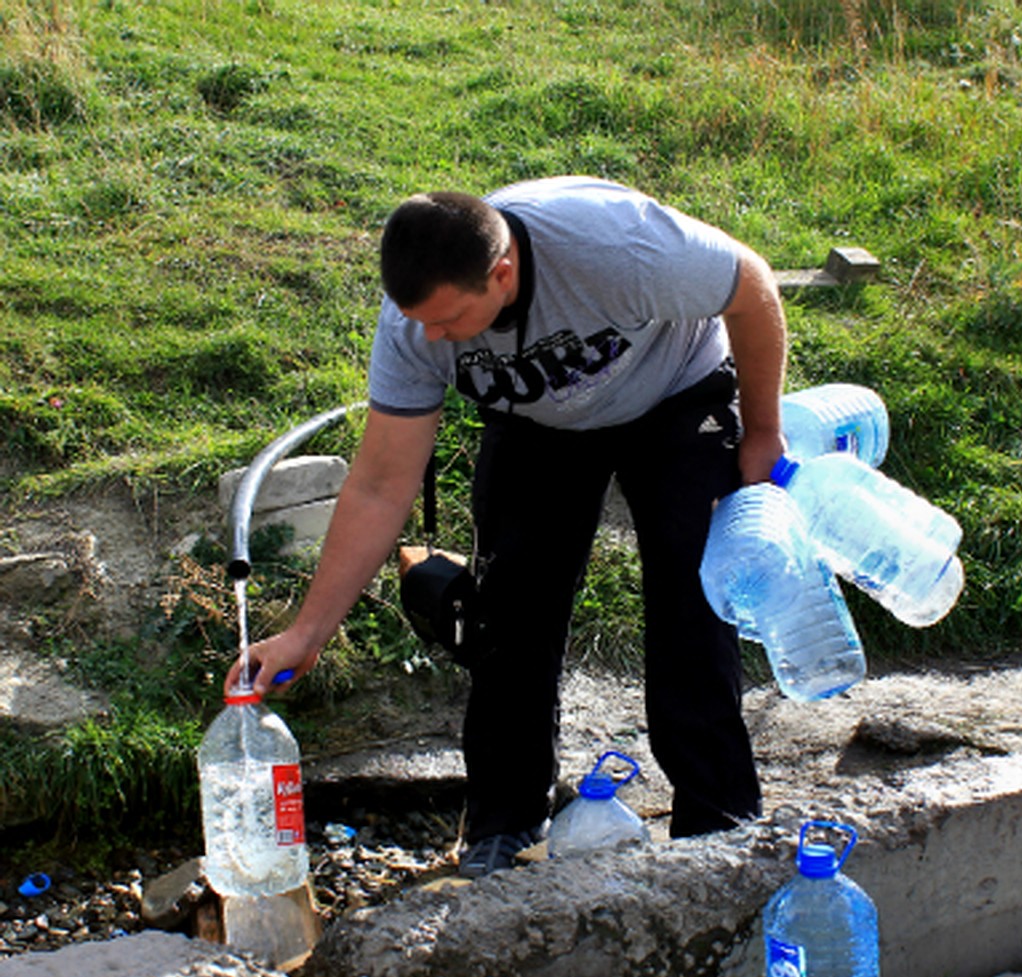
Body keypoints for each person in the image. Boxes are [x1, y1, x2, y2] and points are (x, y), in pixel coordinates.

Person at [228, 175, 788, 877]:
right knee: (510, 614)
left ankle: (719, 829)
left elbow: (752, 286)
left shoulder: (617, 246)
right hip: (537, 420)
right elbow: (378, 485)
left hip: (674, 394)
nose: (431, 338)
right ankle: (506, 823)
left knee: (692, 606)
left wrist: (763, 429)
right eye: (420, 321)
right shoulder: (415, 325)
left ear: (502, 273)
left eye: (448, 321)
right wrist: (307, 631)